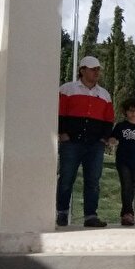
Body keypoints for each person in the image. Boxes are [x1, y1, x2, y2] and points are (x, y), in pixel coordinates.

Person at [56, 55, 115, 228]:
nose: (96, 72)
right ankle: (62, 213)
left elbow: (108, 119)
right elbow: (59, 112)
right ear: (82, 70)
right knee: (66, 178)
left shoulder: (104, 94)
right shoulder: (67, 89)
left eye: (98, 69)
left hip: (95, 144)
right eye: (92, 69)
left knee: (93, 180)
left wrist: (104, 138)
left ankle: (90, 216)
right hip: (71, 142)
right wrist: (63, 133)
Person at [107, 98, 135, 226]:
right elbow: (113, 138)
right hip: (123, 160)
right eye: (130, 111)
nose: (133, 113)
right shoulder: (121, 126)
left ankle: (125, 213)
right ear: (125, 112)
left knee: (131, 186)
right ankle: (128, 213)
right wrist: (112, 141)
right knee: (126, 184)